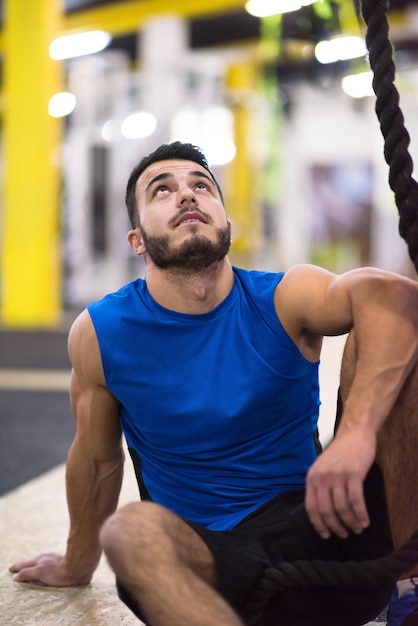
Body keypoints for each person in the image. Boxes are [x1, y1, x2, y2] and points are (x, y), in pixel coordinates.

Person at [10, 142, 418, 626]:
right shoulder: (101, 333)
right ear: (137, 240)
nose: (186, 195)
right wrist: (78, 563)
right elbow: (97, 458)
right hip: (211, 568)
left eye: (201, 186)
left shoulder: (284, 298)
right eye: (162, 190)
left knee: (401, 350)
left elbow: (394, 295)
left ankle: (406, 587)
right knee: (129, 532)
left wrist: (355, 436)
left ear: (226, 224)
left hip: (329, 532)